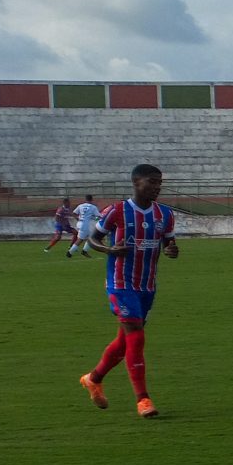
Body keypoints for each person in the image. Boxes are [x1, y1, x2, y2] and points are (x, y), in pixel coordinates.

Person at [78, 163, 178, 419]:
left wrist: (171, 250)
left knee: (125, 341)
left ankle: (93, 378)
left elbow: (169, 244)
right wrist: (109, 250)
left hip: (147, 286)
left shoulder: (165, 214)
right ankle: (143, 399)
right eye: (151, 182)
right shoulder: (117, 211)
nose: (157, 187)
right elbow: (93, 239)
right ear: (136, 183)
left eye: (159, 182)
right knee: (136, 336)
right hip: (120, 284)